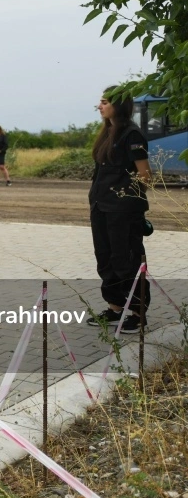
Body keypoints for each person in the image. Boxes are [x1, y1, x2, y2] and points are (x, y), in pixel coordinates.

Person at [87, 89, 151, 334]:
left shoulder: (132, 134)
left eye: (104, 102)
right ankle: (115, 308)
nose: (100, 106)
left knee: (127, 260)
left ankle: (137, 313)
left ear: (118, 105)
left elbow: (144, 175)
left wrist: (127, 202)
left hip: (123, 210)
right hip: (101, 207)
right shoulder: (106, 133)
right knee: (105, 258)